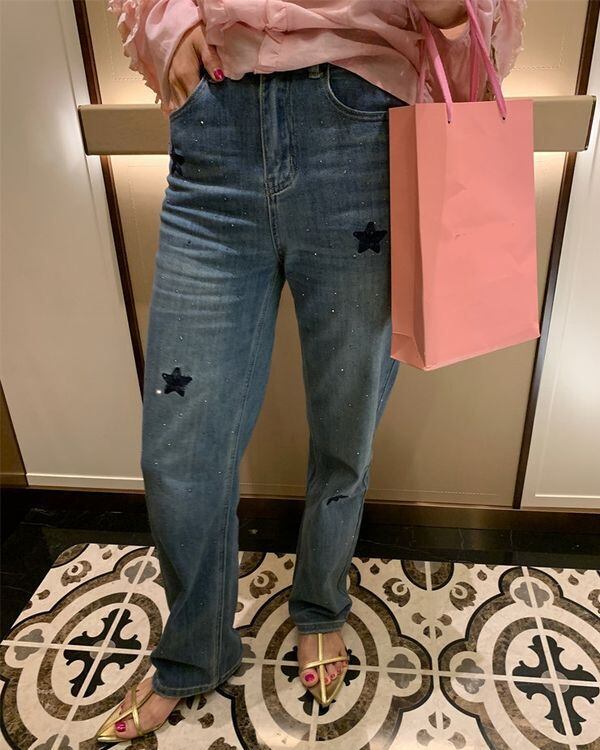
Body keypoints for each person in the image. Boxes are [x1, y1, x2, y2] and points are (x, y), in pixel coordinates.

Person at [97, 0, 527, 741]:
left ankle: (322, 604)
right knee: (179, 453)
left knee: (344, 429)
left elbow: (480, 35)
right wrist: (169, 27)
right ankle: (194, 652)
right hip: (216, 131)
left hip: (363, 136)